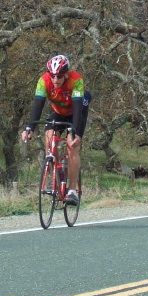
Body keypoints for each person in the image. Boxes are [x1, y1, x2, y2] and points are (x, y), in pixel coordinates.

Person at [21, 54, 91, 206]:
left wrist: (77, 133)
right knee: (49, 139)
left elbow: (78, 108)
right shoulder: (43, 81)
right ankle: (57, 172)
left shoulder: (76, 80)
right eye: (52, 76)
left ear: (66, 74)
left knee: (72, 146)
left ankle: (72, 190)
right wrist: (30, 128)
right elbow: (38, 105)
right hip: (58, 111)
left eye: (59, 76)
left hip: (76, 112)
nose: (55, 80)